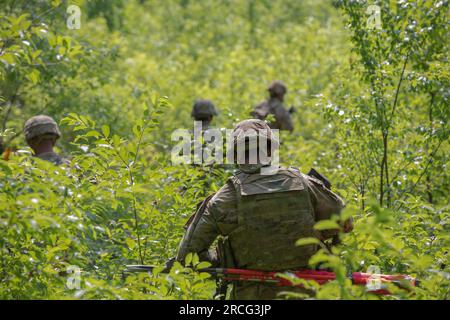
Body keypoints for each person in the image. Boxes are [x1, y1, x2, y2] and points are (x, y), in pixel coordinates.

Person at [176, 119, 352, 299]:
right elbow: (345, 222)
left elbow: (187, 257)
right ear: (271, 150)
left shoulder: (224, 198)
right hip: (307, 291)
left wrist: (225, 263)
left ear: (236, 155)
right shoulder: (304, 184)